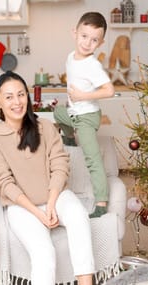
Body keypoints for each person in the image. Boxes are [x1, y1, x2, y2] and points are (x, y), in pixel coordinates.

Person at [0, 71, 95, 285]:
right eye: (8, 97)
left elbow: (60, 165)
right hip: (22, 206)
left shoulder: (44, 127)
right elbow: (4, 183)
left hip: (54, 195)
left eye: (20, 94)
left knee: (80, 217)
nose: (16, 101)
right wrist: (37, 213)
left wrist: (53, 202)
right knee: (43, 249)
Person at [53, 11, 115, 218]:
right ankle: (69, 135)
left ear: (101, 42)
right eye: (84, 36)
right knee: (57, 113)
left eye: (94, 40)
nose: (88, 43)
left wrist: (82, 96)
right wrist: (73, 99)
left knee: (92, 159)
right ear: (75, 33)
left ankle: (101, 202)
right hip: (73, 112)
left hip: (87, 117)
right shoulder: (71, 57)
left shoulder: (93, 65)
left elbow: (109, 90)